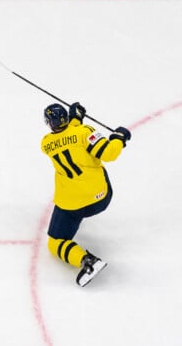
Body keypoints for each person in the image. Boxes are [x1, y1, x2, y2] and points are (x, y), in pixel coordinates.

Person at [41, 102, 131, 286]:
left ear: (49, 123)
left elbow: (67, 137)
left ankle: (87, 261)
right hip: (99, 197)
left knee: (55, 243)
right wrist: (119, 137)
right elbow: (109, 153)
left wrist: (76, 119)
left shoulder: (46, 144)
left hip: (70, 203)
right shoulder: (84, 131)